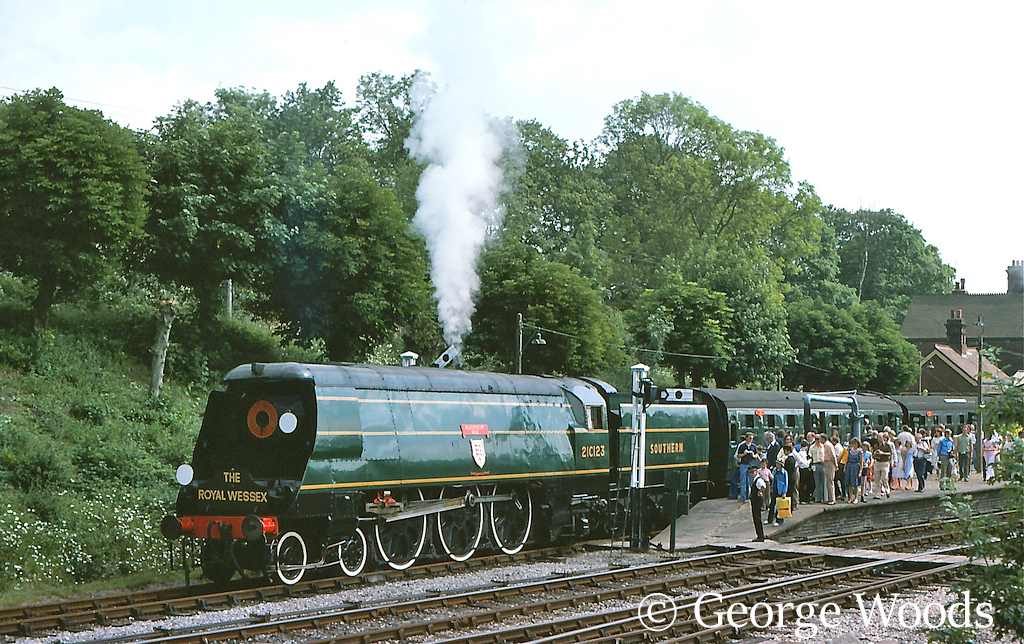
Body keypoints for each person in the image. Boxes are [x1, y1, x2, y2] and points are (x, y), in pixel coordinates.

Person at [735, 433, 758, 502]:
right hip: (743, 464)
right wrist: (744, 454)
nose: (751, 439)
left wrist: (753, 455)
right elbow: (738, 455)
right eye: (750, 438)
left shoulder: (753, 446)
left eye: (752, 438)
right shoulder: (742, 446)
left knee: (751, 481)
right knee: (743, 481)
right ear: (746, 438)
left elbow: (757, 454)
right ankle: (743, 497)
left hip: (751, 464)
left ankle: (750, 496)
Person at [768, 458, 789, 526]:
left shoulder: (784, 472)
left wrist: (784, 492)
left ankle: (779, 520)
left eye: (778, 464)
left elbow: (786, 483)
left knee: (779, 505)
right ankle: (770, 519)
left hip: (780, 489)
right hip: (775, 488)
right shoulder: (774, 470)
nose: (777, 465)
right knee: (772, 504)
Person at [844, 437, 865, 503]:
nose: (853, 445)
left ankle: (856, 498)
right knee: (849, 483)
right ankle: (850, 497)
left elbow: (861, 462)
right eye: (852, 443)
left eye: (855, 443)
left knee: (855, 484)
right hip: (849, 466)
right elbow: (847, 459)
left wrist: (860, 471)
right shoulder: (849, 450)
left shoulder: (860, 452)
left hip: (856, 467)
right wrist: (845, 467)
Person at [750, 466, 768, 542]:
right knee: (756, 517)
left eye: (752, 472)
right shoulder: (755, 479)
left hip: (757, 501)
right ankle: (760, 535)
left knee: (757, 518)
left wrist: (759, 491)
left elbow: (763, 486)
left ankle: (760, 536)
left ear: (756, 472)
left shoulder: (758, 480)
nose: (751, 474)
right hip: (755, 500)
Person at [873, 432, 892, 499]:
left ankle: (887, 490)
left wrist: (883, 453)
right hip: (877, 463)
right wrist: (875, 454)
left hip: (885, 463)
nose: (879, 439)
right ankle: (878, 494)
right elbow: (873, 454)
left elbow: (890, 453)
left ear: (883, 438)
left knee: (884, 478)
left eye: (880, 437)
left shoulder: (887, 445)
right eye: (878, 437)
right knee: (877, 479)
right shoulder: (875, 446)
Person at [783, 443, 801, 510]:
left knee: (792, 491)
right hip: (792, 476)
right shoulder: (791, 458)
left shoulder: (790, 459)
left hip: (791, 477)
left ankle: (793, 505)